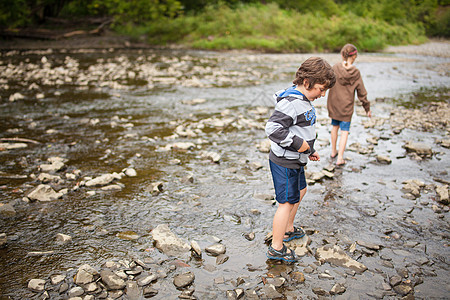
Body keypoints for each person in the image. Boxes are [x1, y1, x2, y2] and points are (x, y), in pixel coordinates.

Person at [265, 57, 336, 262]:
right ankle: (276, 248)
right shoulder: (291, 103)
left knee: (301, 190)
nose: (322, 95)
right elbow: (273, 129)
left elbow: (299, 129)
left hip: (297, 158)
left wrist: (308, 149)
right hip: (284, 160)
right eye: (321, 90)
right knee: (286, 202)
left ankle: (288, 228)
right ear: (307, 83)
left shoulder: (302, 99)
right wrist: (299, 145)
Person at [327, 43, 372, 166]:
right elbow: (361, 92)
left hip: (334, 103)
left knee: (334, 127)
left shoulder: (335, 67)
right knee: (345, 131)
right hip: (346, 106)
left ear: (342, 55)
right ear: (354, 56)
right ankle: (340, 157)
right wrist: (367, 108)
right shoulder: (355, 72)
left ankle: (333, 151)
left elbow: (327, 81)